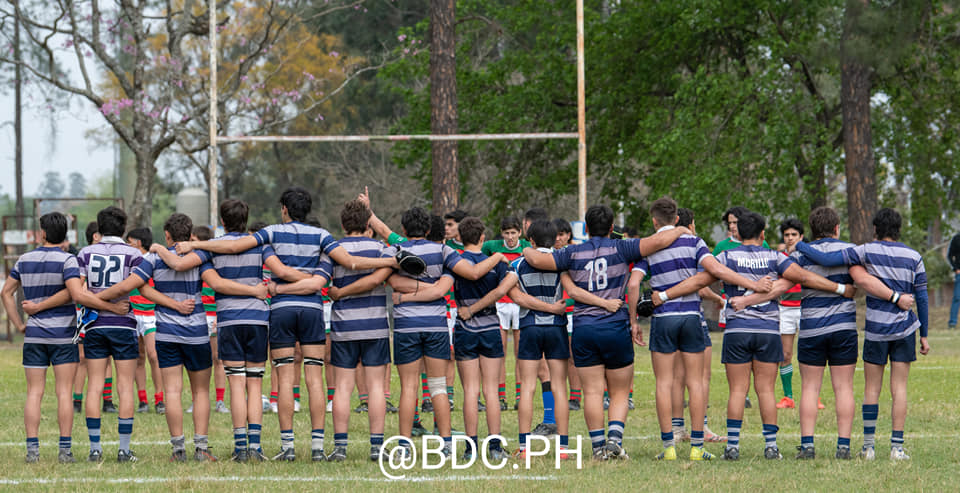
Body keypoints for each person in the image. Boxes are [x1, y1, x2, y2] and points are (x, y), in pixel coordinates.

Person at [656, 211, 854, 461]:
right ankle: (771, 446)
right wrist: (840, 288)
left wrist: (665, 295)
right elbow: (802, 276)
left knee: (738, 391)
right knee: (766, 391)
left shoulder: (726, 256)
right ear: (763, 233)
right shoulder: (775, 256)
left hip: (737, 329)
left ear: (737, 233)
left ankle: (733, 447)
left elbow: (700, 281)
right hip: (767, 330)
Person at [521, 204, 688, 460]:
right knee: (619, 391)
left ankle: (599, 448)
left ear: (586, 228)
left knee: (592, 392)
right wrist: (680, 229)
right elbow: (658, 240)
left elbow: (535, 259)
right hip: (615, 326)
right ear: (612, 228)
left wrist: (525, 247)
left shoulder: (571, 252)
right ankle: (614, 440)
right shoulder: (623, 247)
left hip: (584, 328)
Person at [153, 200, 306, 462]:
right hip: (257, 319)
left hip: (229, 320)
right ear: (246, 219)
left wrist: (159, 248)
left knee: (236, 383)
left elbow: (192, 271)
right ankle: (255, 447)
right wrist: (309, 279)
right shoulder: (260, 245)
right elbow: (280, 270)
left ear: (222, 222)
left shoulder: (212, 249)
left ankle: (240, 448)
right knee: (254, 384)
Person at [628, 198, 769, 461]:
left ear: (654, 221)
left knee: (664, 382)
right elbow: (716, 270)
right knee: (696, 382)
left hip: (664, 317)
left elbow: (634, 284)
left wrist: (634, 320)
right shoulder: (694, 242)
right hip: (692, 316)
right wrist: (754, 285)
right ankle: (697, 447)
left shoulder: (648, 247)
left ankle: (669, 448)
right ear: (677, 219)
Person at [796, 208, 929, 460]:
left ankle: (864, 447)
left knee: (862, 389)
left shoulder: (863, 251)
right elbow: (921, 296)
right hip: (892, 329)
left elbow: (823, 261)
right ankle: (890, 448)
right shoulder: (913, 256)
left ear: (875, 229)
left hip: (867, 329)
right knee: (893, 388)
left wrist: (800, 245)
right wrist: (924, 333)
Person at [274, 199, 395, 462]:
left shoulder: (333, 250)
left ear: (342, 224)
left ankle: (340, 448)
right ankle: (377, 447)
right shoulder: (381, 249)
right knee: (376, 387)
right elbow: (382, 272)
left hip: (344, 327)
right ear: (368, 224)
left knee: (342, 387)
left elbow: (320, 282)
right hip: (375, 326)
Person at [1, 212, 124, 464]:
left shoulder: (24, 259)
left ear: (42, 233)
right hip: (63, 335)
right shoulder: (68, 260)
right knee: (64, 393)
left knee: (34, 393)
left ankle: (32, 452)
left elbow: (6, 293)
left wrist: (20, 324)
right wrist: (111, 307)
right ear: (65, 235)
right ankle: (65, 451)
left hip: (34, 335)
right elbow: (75, 294)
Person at [74, 207, 148, 463]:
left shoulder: (85, 253)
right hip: (124, 324)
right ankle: (124, 450)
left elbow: (79, 291)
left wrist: (97, 302)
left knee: (94, 385)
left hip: (95, 325)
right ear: (124, 228)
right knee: (125, 386)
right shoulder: (133, 254)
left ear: (99, 227)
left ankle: (95, 449)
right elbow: (140, 286)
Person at [504, 219, 571, 458]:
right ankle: (563, 448)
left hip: (530, 326)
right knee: (559, 387)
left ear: (530, 241)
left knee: (527, 387)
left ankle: (524, 448)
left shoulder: (518, 264)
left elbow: (516, 297)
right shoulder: (562, 262)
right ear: (554, 239)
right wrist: (553, 307)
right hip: (556, 327)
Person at [482, 216, 531, 411]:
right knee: (499, 352)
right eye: (506, 233)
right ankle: (500, 396)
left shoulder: (527, 246)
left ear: (520, 232)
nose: (510, 237)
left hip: (520, 303)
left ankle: (520, 395)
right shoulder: (491, 246)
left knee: (521, 352)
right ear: (501, 233)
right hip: (500, 303)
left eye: (513, 233)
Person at [124, 228, 165, 415]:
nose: (127, 245)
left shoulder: (154, 259)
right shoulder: (128, 260)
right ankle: (143, 400)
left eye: (130, 241)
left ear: (139, 242)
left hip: (150, 313)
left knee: (154, 355)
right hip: (133, 313)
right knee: (138, 357)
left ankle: (160, 399)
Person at [191, 225, 229, 415]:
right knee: (197, 359)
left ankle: (220, 401)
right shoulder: (192, 262)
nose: (190, 244)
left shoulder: (216, 261)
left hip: (214, 315)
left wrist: (219, 315)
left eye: (193, 240)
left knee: (218, 358)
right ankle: (197, 400)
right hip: (198, 314)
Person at [775, 218, 804, 410]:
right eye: (787, 235)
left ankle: (814, 396)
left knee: (810, 356)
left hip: (805, 308)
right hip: (784, 309)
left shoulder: (808, 258)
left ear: (801, 237)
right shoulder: (778, 258)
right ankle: (788, 397)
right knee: (785, 354)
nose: (790, 238)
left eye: (794, 234)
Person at [949, 232, 960, 329]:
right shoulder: (956, 238)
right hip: (959, 274)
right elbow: (949, 255)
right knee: (957, 298)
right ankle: (952, 323)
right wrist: (955, 268)